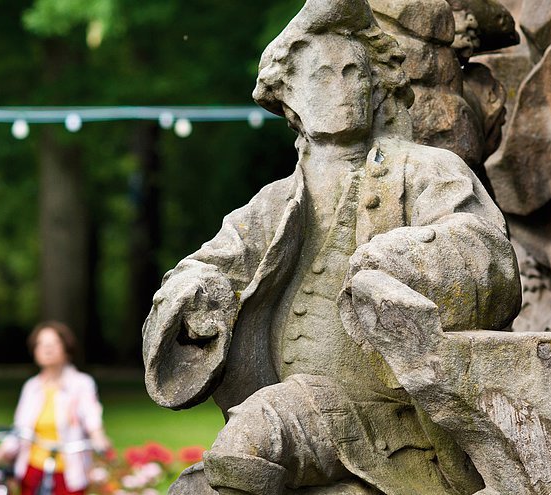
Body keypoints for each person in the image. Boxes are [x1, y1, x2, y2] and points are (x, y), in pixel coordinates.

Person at [142, 0, 520, 493]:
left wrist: (404, 258)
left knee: (251, 439)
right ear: (291, 97)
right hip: (298, 408)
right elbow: (204, 266)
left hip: (397, 421)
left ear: (375, 86)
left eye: (354, 73)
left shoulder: (428, 169)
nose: (344, 88)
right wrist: (199, 296)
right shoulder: (274, 202)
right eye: (324, 75)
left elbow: (487, 255)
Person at [0, 321, 110, 495]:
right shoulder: (31, 387)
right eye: (41, 344)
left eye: (54, 343)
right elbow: (19, 430)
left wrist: (98, 437)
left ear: (66, 348)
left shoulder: (81, 384)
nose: (47, 349)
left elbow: (91, 416)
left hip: (68, 472)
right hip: (33, 469)